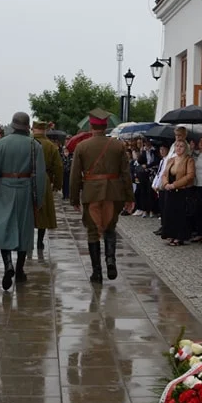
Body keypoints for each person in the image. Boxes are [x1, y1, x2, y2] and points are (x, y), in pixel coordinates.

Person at [69, 109, 134, 283]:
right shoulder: (118, 145)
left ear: (91, 126)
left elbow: (75, 175)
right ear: (106, 126)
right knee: (110, 228)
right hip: (114, 193)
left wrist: (74, 198)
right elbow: (126, 174)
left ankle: (97, 272)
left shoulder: (82, 147)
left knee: (92, 232)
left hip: (92, 194)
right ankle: (110, 260)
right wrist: (130, 197)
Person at [0, 112, 47, 289]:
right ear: (27, 127)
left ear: (12, 126)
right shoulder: (35, 146)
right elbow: (40, 176)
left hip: (4, 188)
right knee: (24, 230)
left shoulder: (1, 144)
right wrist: (39, 199)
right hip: (26, 189)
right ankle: (19, 270)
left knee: (3, 227)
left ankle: (8, 265)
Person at [32, 120, 63, 250]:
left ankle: (27, 240)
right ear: (44, 130)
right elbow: (59, 167)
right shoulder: (50, 146)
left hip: (26, 178)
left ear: (33, 129)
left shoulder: (27, 143)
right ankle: (40, 241)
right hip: (44, 179)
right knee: (43, 211)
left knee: (27, 211)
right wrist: (57, 185)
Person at [160, 139, 196, 246]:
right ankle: (171, 234)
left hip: (182, 190)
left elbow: (190, 175)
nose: (179, 148)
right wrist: (166, 184)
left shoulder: (189, 160)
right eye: (177, 146)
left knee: (180, 214)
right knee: (170, 213)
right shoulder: (171, 160)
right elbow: (164, 174)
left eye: (181, 146)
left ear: (186, 148)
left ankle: (179, 237)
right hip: (170, 191)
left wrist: (175, 184)